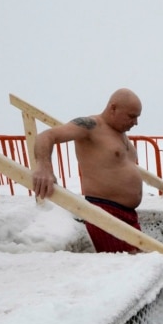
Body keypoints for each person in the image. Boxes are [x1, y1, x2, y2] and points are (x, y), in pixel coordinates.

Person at [32, 88, 144, 253]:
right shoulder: (91, 126)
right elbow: (47, 136)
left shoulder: (120, 134)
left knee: (140, 263)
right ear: (113, 108)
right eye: (131, 116)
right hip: (104, 212)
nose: (135, 123)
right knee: (124, 267)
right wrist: (44, 167)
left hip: (129, 214)